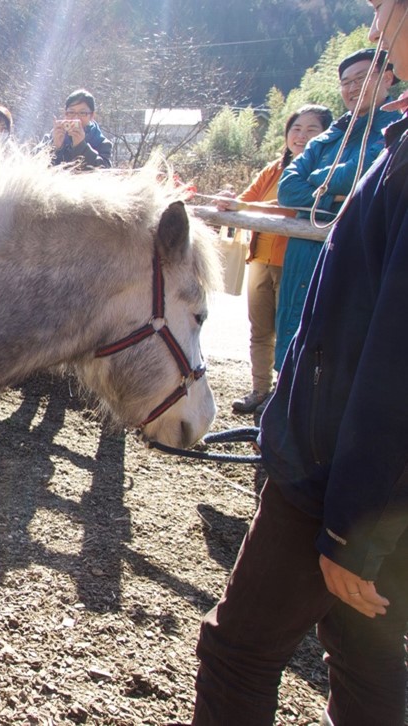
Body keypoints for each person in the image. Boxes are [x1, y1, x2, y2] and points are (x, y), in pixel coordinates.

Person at [192, 0, 408, 721]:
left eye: (386, 11)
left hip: (337, 473)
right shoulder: (398, 141)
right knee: (365, 650)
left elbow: (395, 355)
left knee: (238, 652)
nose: (376, 30)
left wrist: (353, 527)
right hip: (360, 469)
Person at [274, 47, 399, 372]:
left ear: (387, 77)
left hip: (351, 250)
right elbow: (287, 189)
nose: (352, 87)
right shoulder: (329, 136)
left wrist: (317, 185)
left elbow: (364, 172)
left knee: (334, 350)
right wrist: (333, 192)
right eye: (346, 81)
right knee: (292, 333)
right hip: (302, 251)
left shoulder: (396, 129)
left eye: (362, 77)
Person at [214, 104, 332, 414]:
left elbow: (293, 209)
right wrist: (229, 201)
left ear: (326, 136)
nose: (301, 135)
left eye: (311, 130)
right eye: (296, 128)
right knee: (260, 329)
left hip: (295, 262)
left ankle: (284, 397)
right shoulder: (274, 169)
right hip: (261, 260)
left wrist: (253, 207)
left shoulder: (323, 172)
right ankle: (259, 390)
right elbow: (247, 200)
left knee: (289, 330)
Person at [49, 89, 112, 169]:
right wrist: (55, 148)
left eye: (82, 113)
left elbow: (105, 171)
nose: (76, 118)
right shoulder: (52, 137)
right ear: (65, 114)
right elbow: (34, 166)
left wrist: (81, 146)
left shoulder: (102, 143)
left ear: (92, 115)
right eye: (71, 112)